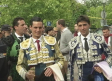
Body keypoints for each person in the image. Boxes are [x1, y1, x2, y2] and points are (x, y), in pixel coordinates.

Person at [16, 17, 64, 81]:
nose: (38, 30)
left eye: (40, 28)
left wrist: (53, 68)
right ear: (30, 27)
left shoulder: (52, 41)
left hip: (50, 78)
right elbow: (19, 65)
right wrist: (26, 74)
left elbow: (61, 59)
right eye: (35, 27)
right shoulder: (24, 44)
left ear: (43, 28)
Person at [69, 15, 112, 81]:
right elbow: (70, 64)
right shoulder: (74, 42)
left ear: (89, 25)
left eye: (84, 25)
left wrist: (103, 67)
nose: (83, 28)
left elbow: (110, 55)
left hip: (98, 76)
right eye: (80, 26)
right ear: (77, 27)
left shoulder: (98, 39)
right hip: (82, 78)